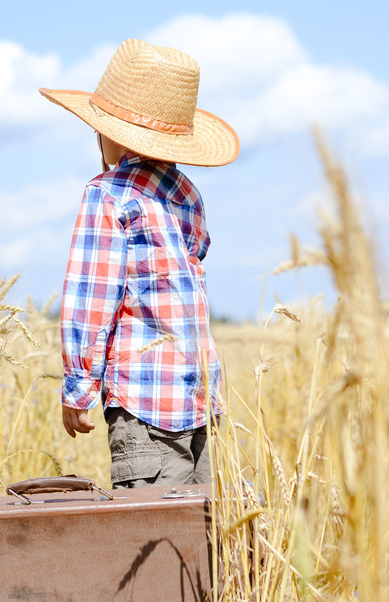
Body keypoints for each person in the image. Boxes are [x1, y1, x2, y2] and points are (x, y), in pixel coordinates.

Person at [39, 38, 239, 488]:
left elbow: (92, 298)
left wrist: (78, 387)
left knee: (149, 542)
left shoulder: (107, 194)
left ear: (112, 134)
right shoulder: (187, 194)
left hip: (144, 405)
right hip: (200, 400)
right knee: (200, 545)